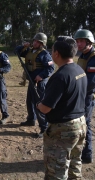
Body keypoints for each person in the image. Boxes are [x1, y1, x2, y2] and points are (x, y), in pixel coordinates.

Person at [37, 36, 87, 179]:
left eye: (52, 50)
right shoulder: (79, 69)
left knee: (56, 172)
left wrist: (39, 105)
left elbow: (46, 108)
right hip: (80, 124)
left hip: (63, 129)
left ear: (56, 53)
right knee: (74, 166)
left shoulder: (60, 76)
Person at [15, 32, 55, 137]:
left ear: (42, 43)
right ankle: (31, 119)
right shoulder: (30, 51)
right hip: (31, 81)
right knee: (29, 102)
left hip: (40, 83)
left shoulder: (44, 54)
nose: (35, 42)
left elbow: (51, 68)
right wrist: (23, 46)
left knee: (39, 105)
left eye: (37, 41)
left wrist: (41, 76)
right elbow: (17, 51)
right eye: (34, 40)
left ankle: (44, 127)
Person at [74, 29, 95, 164]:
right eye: (77, 41)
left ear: (89, 42)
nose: (79, 44)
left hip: (87, 96)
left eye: (81, 41)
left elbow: (91, 82)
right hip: (81, 94)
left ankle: (87, 154)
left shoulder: (93, 57)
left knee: (86, 124)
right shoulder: (83, 55)